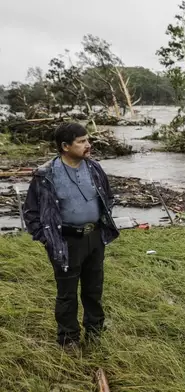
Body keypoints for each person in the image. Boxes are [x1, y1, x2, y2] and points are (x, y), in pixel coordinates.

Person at [22, 122, 120, 349]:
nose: (88, 145)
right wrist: (47, 238)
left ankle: (95, 333)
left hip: (95, 238)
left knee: (94, 289)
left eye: (88, 140)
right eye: (82, 142)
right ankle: (68, 340)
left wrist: (102, 224)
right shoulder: (46, 174)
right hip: (65, 242)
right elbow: (31, 212)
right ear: (65, 146)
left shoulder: (94, 168)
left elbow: (108, 197)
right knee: (67, 294)